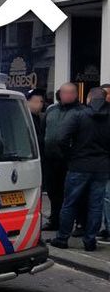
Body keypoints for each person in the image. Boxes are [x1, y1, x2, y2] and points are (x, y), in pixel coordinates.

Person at [49, 87, 110, 252]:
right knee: (96, 205)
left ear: (89, 98)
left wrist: (70, 155)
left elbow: (61, 138)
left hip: (78, 165)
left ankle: (62, 238)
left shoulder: (79, 115)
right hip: (102, 167)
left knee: (70, 203)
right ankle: (90, 241)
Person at [44, 82, 82, 235]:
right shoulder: (51, 110)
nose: (68, 95)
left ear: (76, 95)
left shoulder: (81, 112)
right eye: (65, 92)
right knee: (53, 192)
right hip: (50, 159)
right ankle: (55, 220)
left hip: (70, 160)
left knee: (73, 193)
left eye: (71, 93)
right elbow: (43, 129)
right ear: (60, 94)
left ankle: (79, 223)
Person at [26, 88, 46, 155]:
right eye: (36, 101)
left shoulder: (43, 117)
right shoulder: (25, 118)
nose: (40, 104)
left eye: (41, 101)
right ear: (27, 102)